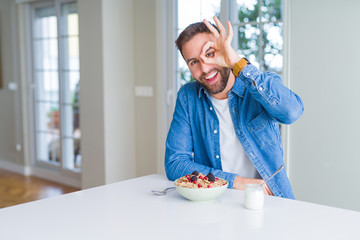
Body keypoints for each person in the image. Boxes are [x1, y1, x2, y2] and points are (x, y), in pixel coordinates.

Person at [165, 16, 304, 199]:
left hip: (270, 200)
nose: (205, 68)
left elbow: (292, 112)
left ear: (225, 50)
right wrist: (237, 182)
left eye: (210, 53)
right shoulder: (188, 97)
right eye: (194, 62)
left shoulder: (257, 86)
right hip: (219, 202)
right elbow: (175, 163)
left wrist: (238, 63)